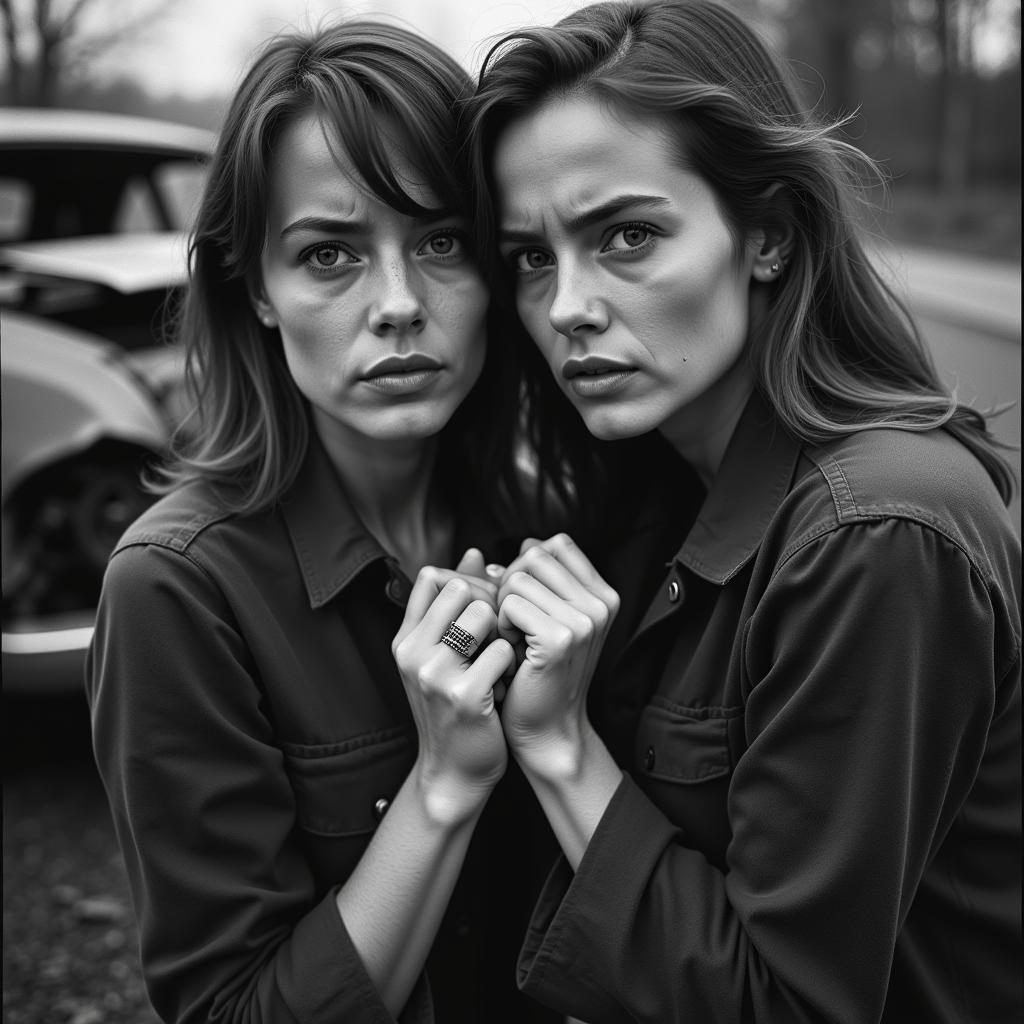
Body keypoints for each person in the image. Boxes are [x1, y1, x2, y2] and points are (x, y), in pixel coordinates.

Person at [465, 2, 1023, 1021]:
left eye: (626, 235)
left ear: (763, 234)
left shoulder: (875, 534)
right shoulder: (659, 483)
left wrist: (559, 747)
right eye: (530, 257)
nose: (565, 306)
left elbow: (787, 1004)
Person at [86, 20, 561, 1024]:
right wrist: (440, 786)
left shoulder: (554, 526)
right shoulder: (178, 589)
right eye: (331, 252)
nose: (397, 304)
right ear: (256, 287)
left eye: (441, 242)